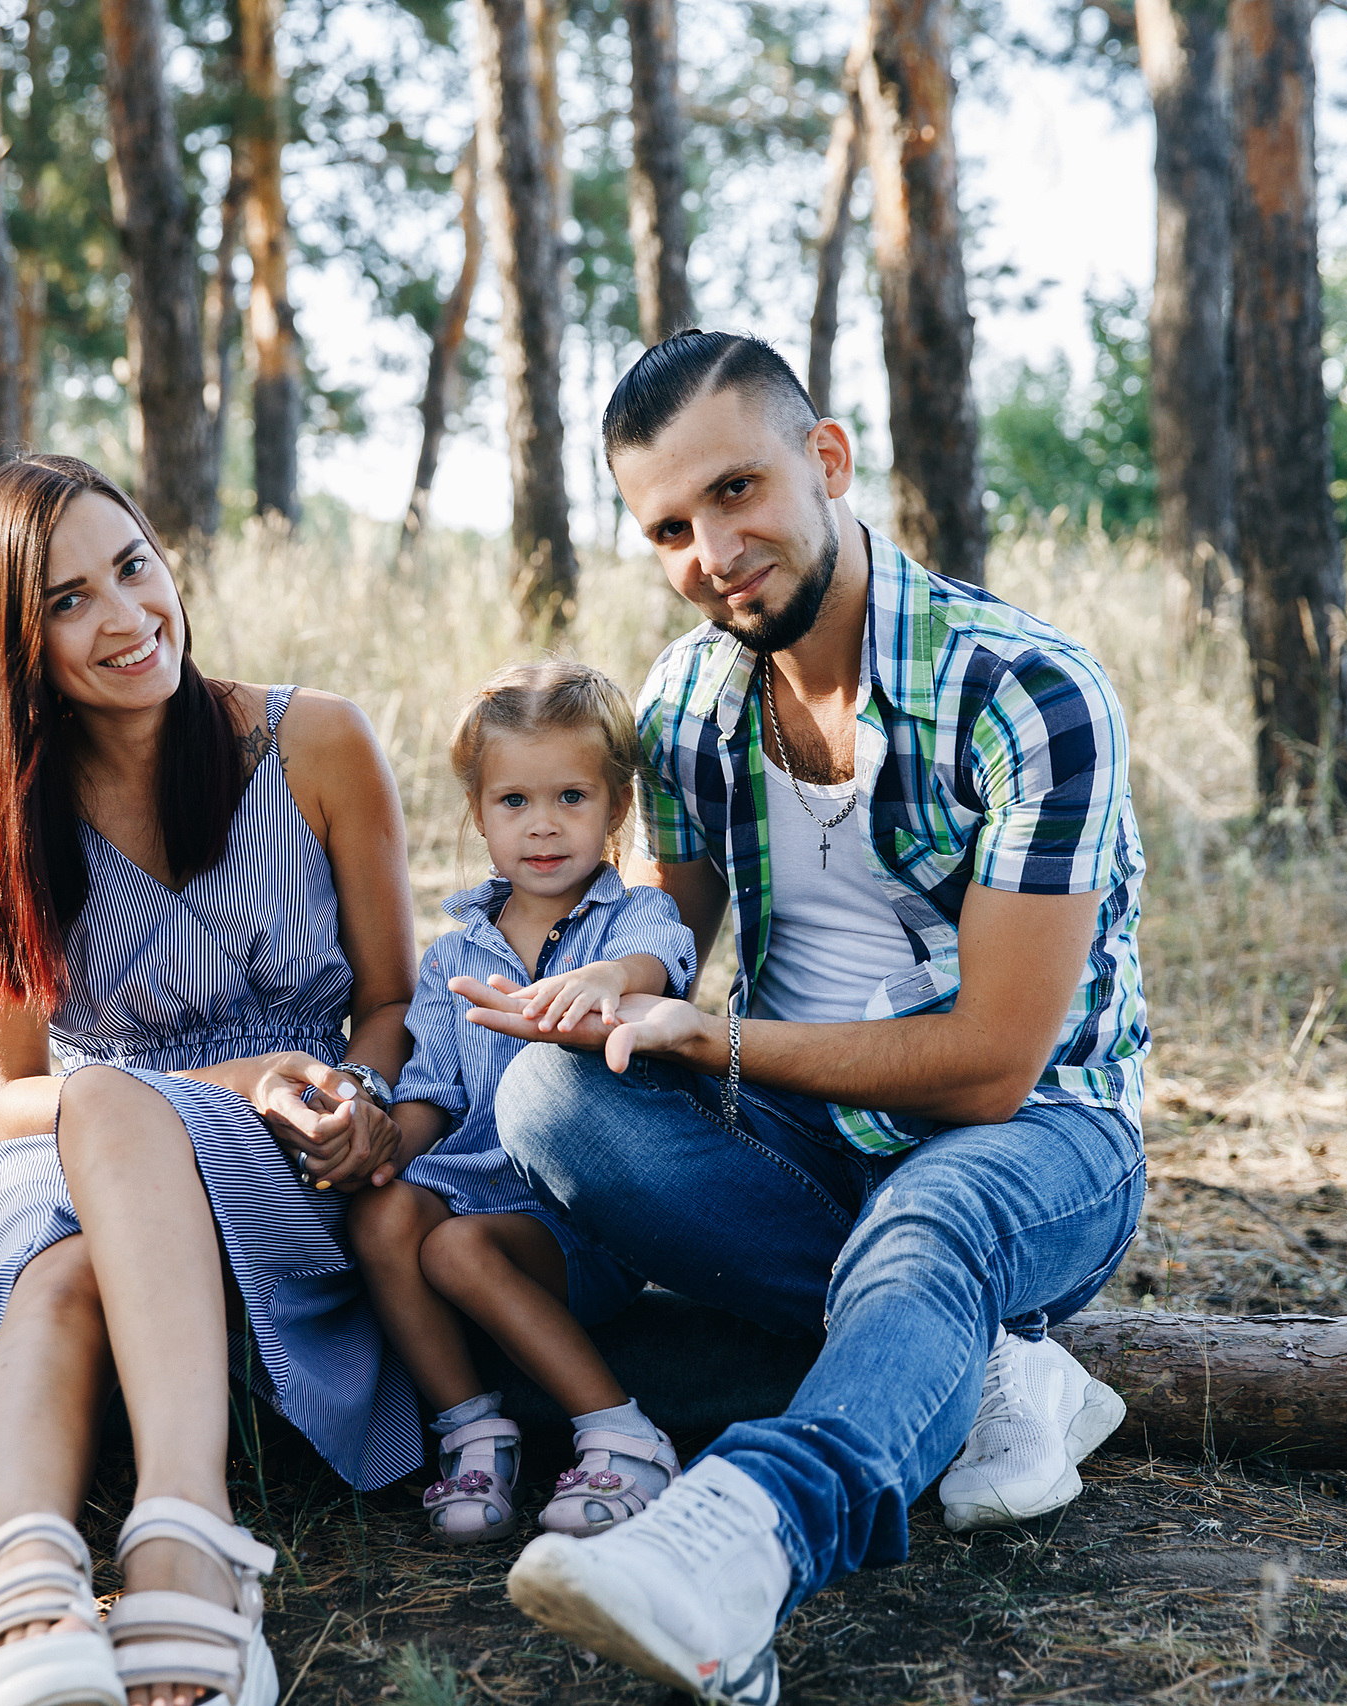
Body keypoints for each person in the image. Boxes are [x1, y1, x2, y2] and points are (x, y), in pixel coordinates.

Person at [463, 333, 1151, 1705]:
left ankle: (744, 1546)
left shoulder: (1026, 691)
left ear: (825, 461)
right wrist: (625, 984)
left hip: (1039, 1142)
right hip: (798, 1145)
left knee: (931, 1223)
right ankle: (980, 1366)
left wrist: (706, 1038)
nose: (711, 547)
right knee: (546, 1107)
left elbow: (989, 1065)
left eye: (736, 491)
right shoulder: (692, 697)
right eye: (669, 525)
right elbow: (674, 923)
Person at [0, 455, 419, 1706]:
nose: (124, 617)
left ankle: (180, 1541)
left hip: (288, 1147)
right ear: (8, 640)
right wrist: (216, 1073)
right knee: (61, 1234)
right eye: (65, 600)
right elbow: (2, 1097)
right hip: (80, 1155)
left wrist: (354, 1097)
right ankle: (30, 1588)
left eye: (133, 566)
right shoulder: (0, 812)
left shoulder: (311, 741)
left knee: (101, 1138)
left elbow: (390, 1000)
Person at [344, 663, 698, 1546]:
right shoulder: (453, 953)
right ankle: (471, 1431)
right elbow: (431, 1092)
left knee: (458, 1249)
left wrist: (606, 982)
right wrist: (380, 1143)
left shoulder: (631, 919)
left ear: (616, 808)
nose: (542, 825)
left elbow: (662, 962)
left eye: (572, 796)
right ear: (478, 813)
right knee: (385, 1218)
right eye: (513, 802)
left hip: (583, 1219)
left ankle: (623, 1432)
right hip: (474, 1190)